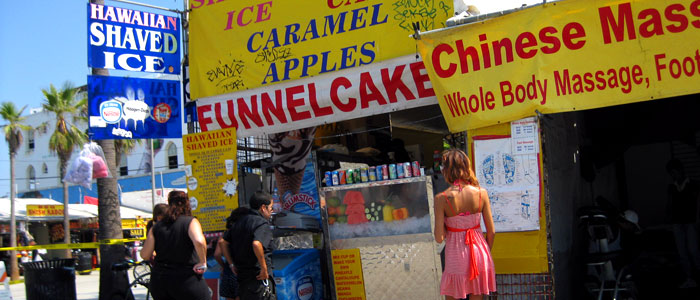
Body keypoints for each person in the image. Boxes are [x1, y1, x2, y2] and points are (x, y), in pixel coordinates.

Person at [433, 149, 496, 300]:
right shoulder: (482, 193)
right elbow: (492, 232)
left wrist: (450, 226)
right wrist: (485, 250)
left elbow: (439, 237)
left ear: (447, 170)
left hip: (456, 254)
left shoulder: (442, 198)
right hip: (480, 251)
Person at [140, 190, 210, 300]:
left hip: (161, 282)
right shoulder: (190, 222)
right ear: (187, 203)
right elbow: (199, 241)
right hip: (186, 280)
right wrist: (203, 262)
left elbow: (144, 254)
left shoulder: (156, 227)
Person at [220, 192, 275, 300]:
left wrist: (231, 264)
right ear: (263, 208)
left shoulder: (240, 221)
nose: (271, 211)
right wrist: (264, 268)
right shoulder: (261, 223)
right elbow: (257, 244)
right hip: (259, 279)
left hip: (243, 280)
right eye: (271, 208)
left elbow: (223, 242)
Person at [666, 158, 700, 288]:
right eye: (671, 173)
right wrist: (668, 217)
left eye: (675, 172)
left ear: (681, 170)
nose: (674, 175)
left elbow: (698, 203)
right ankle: (689, 277)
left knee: (693, 250)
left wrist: (697, 220)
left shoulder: (693, 184)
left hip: (690, 222)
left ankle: (697, 274)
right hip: (677, 222)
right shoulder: (672, 187)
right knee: (682, 252)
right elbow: (669, 205)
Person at [215, 207, 251, 300]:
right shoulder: (244, 233)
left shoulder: (225, 233)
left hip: (228, 273)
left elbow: (217, 254)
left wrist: (225, 266)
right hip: (241, 273)